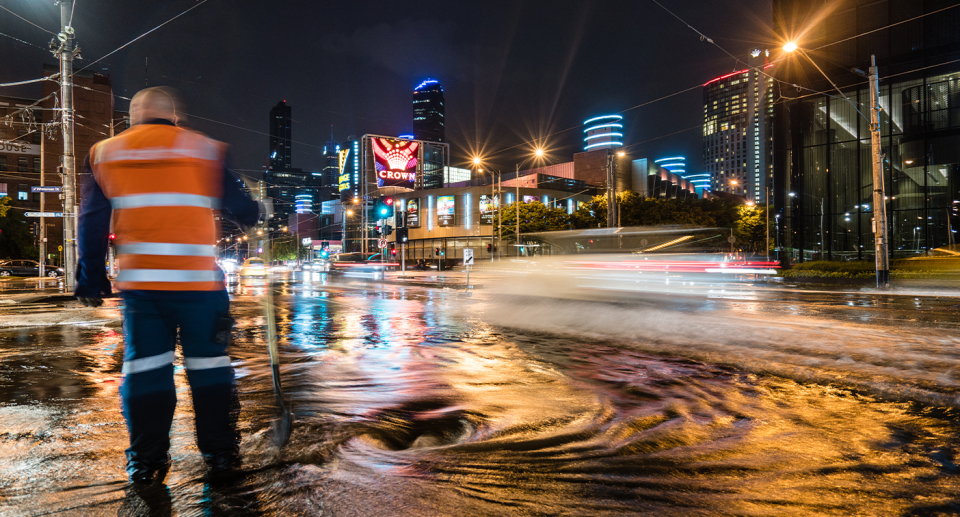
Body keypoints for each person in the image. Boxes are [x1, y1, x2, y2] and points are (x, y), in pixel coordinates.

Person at [75, 87, 260, 483]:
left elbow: (91, 219)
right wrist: (252, 214)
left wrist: (90, 277)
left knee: (146, 372)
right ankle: (221, 455)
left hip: (142, 290)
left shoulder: (106, 153)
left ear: (132, 118)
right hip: (200, 289)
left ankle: (147, 462)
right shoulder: (202, 149)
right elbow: (240, 205)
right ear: (175, 118)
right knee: (210, 370)